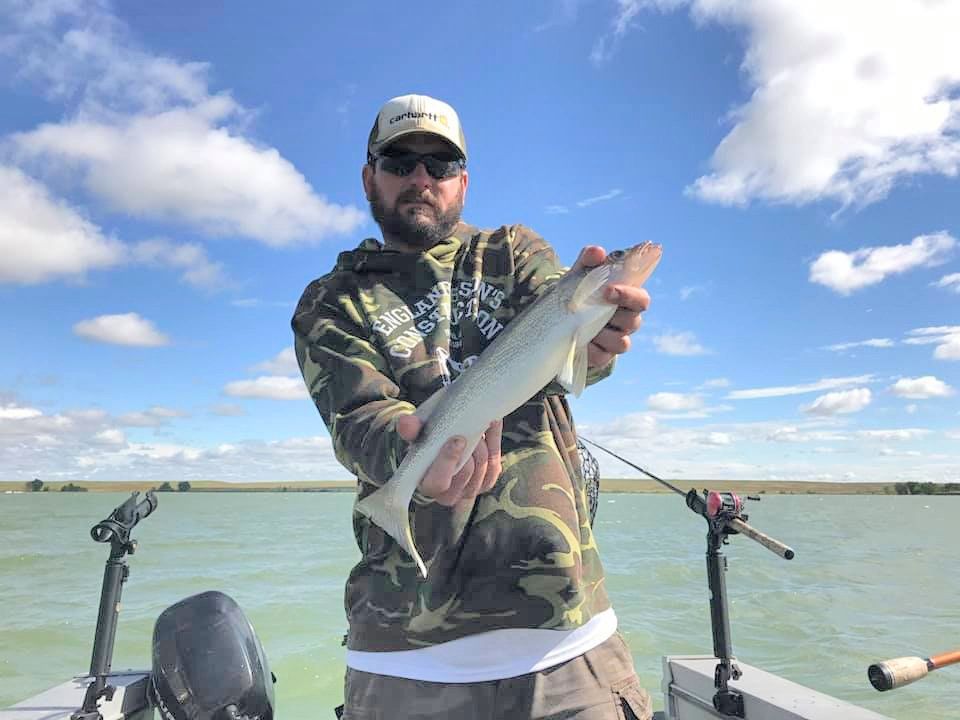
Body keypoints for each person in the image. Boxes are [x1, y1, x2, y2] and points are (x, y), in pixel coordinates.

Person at [292, 94, 653, 720]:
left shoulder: (512, 252)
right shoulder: (333, 299)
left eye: (441, 163)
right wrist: (413, 458)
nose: (421, 179)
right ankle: (397, 505)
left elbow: (577, 352)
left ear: (464, 179)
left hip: (567, 642)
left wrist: (601, 339)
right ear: (368, 176)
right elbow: (358, 422)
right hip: (404, 657)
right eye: (400, 161)